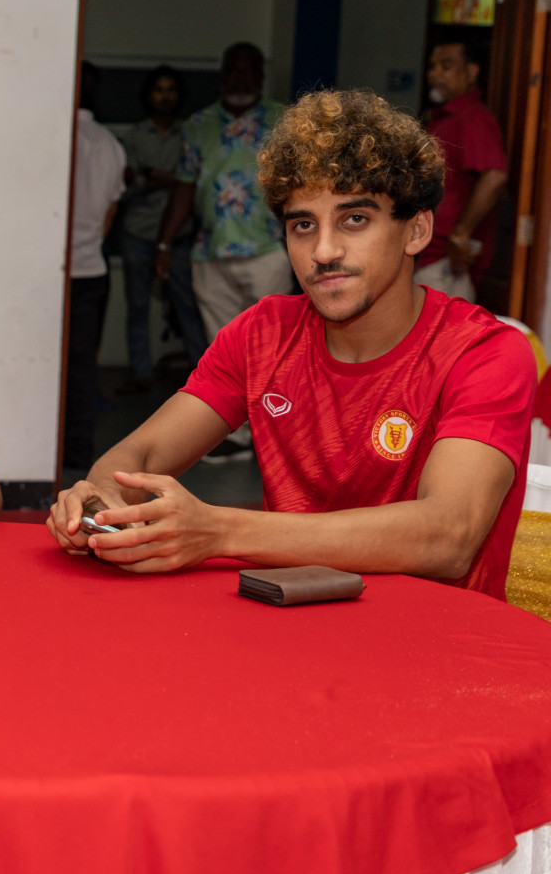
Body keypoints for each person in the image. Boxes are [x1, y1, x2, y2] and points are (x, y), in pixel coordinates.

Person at [47, 89, 535, 601]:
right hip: (290, 630)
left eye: (355, 219)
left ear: (416, 230)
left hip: (438, 648)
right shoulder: (263, 334)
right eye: (303, 225)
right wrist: (97, 499)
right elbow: (139, 456)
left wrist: (221, 531)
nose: (323, 251)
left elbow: (447, 536)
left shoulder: (485, 352)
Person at [155, 42, 289, 460]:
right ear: (222, 74)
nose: (240, 77)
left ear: (261, 76)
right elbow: (184, 187)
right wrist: (164, 242)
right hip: (209, 254)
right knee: (225, 350)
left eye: (249, 70)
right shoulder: (198, 124)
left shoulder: (284, 121)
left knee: (276, 349)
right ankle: (237, 437)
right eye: (233, 69)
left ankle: (276, 437)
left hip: (268, 250)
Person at [116, 64, 207, 392]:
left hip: (180, 233)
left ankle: (205, 376)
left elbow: (192, 182)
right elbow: (129, 183)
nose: (164, 96)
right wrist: (166, 178)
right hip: (138, 232)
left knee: (189, 304)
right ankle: (140, 373)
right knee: (138, 305)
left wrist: (158, 177)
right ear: (148, 96)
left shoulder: (191, 132)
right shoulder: (135, 136)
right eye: (158, 89)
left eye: (171, 89)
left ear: (179, 96)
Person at [63, 61, 126, 470]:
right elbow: (110, 214)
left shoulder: (55, 140)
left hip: (55, 273)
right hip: (91, 268)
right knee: (84, 365)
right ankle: (77, 450)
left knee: (52, 365)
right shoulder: (110, 144)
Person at [416, 39, 508, 303]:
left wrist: (460, 234)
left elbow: (495, 175)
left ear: (471, 72)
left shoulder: (473, 118)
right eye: (433, 66)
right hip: (426, 252)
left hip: (445, 261)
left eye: (447, 66)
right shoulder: (443, 117)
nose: (435, 74)